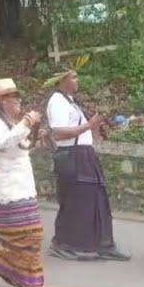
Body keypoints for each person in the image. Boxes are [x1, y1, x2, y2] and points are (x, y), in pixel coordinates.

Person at [45, 70, 130, 261]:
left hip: (84, 154)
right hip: (73, 156)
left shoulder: (69, 101)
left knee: (96, 200)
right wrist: (88, 126)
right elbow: (58, 133)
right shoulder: (57, 101)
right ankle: (64, 243)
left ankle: (103, 244)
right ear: (62, 80)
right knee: (77, 201)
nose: (77, 80)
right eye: (73, 77)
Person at [0, 79, 45, 287]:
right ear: (3, 100)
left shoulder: (11, 123)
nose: (18, 101)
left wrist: (34, 136)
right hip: (5, 189)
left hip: (22, 186)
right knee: (21, 237)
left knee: (32, 234)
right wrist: (26, 124)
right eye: (14, 97)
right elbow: (3, 145)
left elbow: (18, 151)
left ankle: (27, 279)